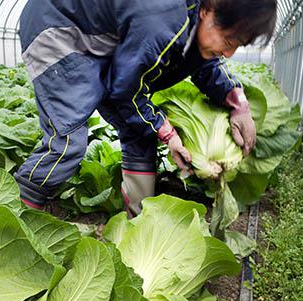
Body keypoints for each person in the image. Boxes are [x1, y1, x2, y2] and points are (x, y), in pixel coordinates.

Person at [15, 0, 277, 216]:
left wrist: (237, 101)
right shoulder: (161, 22)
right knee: (68, 142)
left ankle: (139, 221)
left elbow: (202, 64)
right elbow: (127, 93)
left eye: (236, 46)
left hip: (103, 41)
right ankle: (12, 215)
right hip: (58, 28)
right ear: (208, 9)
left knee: (139, 128)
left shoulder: (194, 20)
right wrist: (168, 133)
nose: (228, 54)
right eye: (228, 42)